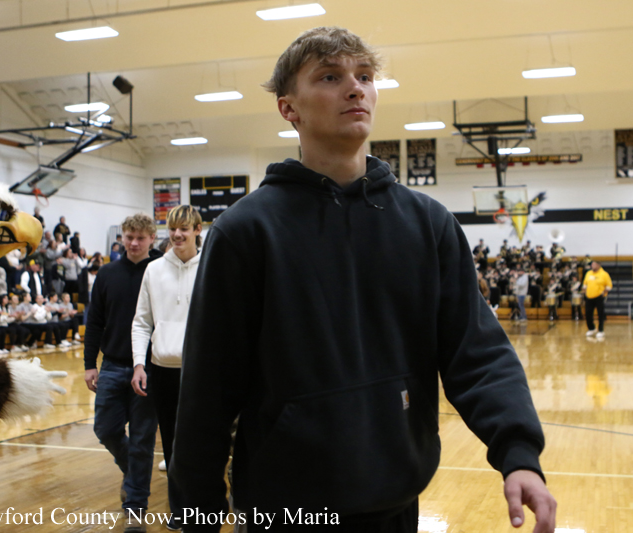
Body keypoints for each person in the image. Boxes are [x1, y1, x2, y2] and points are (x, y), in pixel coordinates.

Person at [171, 27, 554, 533]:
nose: (356, 88)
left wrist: (519, 453)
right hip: (282, 510)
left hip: (396, 502)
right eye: (331, 77)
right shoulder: (246, 230)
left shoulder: (428, 223)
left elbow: (476, 351)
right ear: (289, 108)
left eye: (366, 76)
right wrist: (196, 512)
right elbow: (208, 387)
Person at [83, 214, 159, 532]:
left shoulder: (159, 270)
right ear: (122, 237)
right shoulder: (107, 273)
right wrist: (89, 363)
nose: (134, 242)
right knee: (105, 429)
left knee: (142, 440)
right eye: (129, 236)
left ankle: (136, 507)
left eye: (140, 237)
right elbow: (94, 321)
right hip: (112, 364)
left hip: (150, 367)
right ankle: (133, 475)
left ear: (152, 238)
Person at [131, 205, 202, 531]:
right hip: (163, 370)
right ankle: (180, 508)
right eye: (173, 229)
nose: (177, 234)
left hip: (201, 371)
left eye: (184, 229)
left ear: (197, 230)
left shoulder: (210, 267)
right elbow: (141, 322)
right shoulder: (154, 269)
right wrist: (139, 363)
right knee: (171, 441)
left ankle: (204, 504)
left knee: (202, 441)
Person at [583, 260, 612, 339]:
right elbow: (585, 284)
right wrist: (584, 292)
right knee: (588, 314)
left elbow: (609, 285)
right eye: (592, 265)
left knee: (600, 314)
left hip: (599, 297)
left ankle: (601, 330)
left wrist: (603, 293)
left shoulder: (604, 274)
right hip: (589, 297)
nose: (592, 266)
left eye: (594, 265)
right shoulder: (588, 273)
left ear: (598, 265)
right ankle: (591, 328)